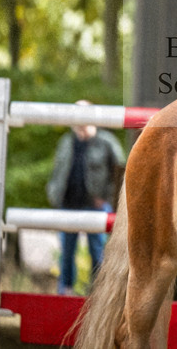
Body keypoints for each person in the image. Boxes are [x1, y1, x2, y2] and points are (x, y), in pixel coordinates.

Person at [46, 121, 125, 295]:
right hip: (68, 205)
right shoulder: (66, 141)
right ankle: (65, 292)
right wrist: (54, 194)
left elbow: (121, 172)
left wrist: (106, 198)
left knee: (98, 252)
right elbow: (57, 171)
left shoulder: (106, 141)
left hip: (95, 207)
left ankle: (98, 293)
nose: (80, 123)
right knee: (66, 252)